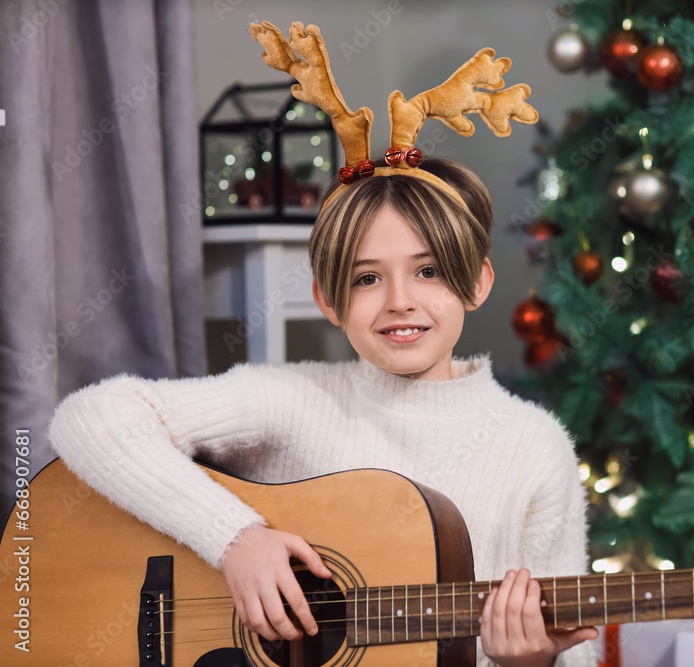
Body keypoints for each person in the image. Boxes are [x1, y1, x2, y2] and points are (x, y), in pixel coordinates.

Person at [49, 157, 598, 667]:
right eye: (367, 278)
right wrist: (233, 540)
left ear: (475, 283)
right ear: (327, 300)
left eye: (428, 271)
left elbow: (572, 649)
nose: (400, 300)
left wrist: (532, 662)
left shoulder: (535, 446)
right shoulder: (294, 400)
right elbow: (90, 418)